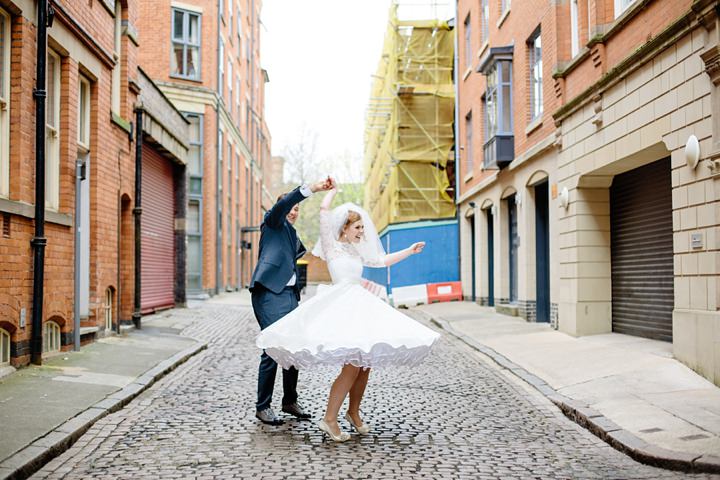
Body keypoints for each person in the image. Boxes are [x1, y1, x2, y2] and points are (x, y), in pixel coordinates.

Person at [256, 182, 440, 441]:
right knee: (353, 365)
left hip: (361, 307)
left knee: (365, 365)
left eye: (363, 227)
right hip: (342, 308)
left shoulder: (356, 250)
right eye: (358, 227)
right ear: (344, 227)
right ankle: (329, 419)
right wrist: (331, 192)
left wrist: (409, 251)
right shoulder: (332, 246)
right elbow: (323, 211)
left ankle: (353, 413)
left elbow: (381, 260)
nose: (362, 232)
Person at [250, 177, 334, 425]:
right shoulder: (273, 223)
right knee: (273, 347)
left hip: (288, 296)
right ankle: (262, 406)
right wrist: (313, 189)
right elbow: (285, 203)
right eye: (291, 208)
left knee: (293, 348)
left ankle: (289, 401)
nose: (294, 212)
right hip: (268, 294)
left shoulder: (292, 234)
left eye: (297, 210)